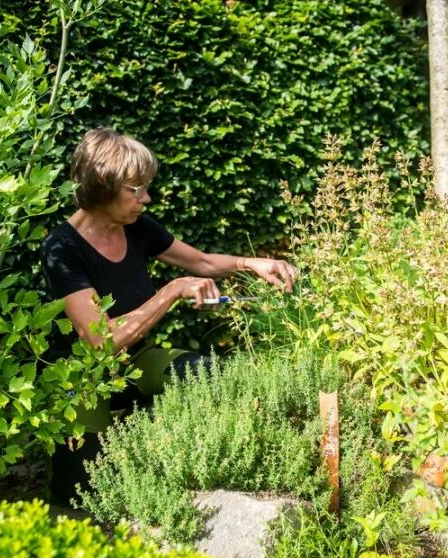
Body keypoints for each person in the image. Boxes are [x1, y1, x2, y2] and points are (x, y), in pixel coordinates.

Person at [40, 127, 296, 502]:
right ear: (102, 184)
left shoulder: (137, 227)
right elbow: (99, 342)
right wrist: (173, 290)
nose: (147, 198)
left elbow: (203, 262)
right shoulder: (61, 249)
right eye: (135, 189)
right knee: (79, 491)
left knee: (210, 374)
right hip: (81, 376)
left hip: (136, 361)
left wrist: (251, 263)